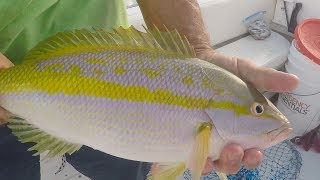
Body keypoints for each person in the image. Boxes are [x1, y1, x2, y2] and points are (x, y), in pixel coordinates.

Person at [0, 0, 299, 179]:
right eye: (257, 109)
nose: (271, 119)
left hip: (89, 55)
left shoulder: (213, 107)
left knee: (129, 172)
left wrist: (196, 50)